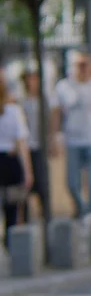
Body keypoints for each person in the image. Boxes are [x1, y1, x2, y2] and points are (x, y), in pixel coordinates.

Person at [51, 52, 91, 218]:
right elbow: (56, 114)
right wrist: (55, 137)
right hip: (72, 141)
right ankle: (82, 210)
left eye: (86, 65)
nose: (83, 69)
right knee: (72, 183)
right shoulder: (64, 87)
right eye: (79, 65)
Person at [0, 68, 33, 244]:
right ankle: (10, 242)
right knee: (12, 207)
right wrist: (28, 171)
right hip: (10, 161)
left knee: (11, 205)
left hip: (8, 160)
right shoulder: (14, 110)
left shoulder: (13, 110)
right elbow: (21, 143)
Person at [19, 68, 48, 218]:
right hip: (24, 146)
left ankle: (45, 215)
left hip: (38, 145)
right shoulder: (20, 100)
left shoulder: (43, 100)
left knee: (42, 183)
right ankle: (24, 218)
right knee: (25, 185)